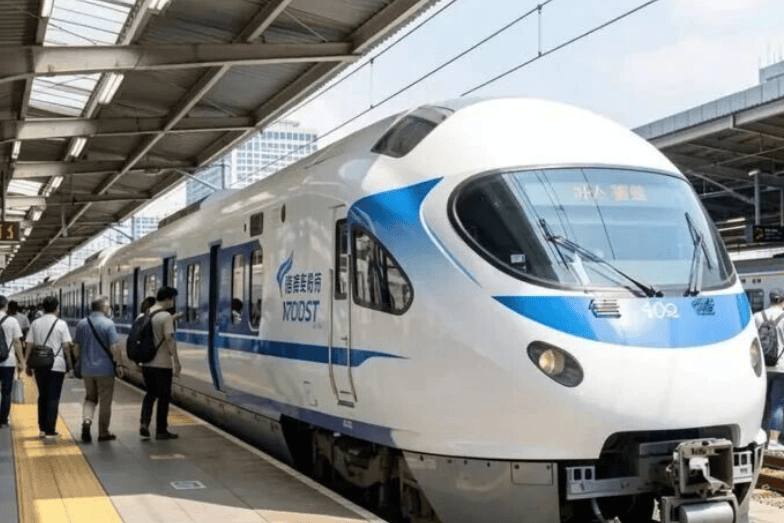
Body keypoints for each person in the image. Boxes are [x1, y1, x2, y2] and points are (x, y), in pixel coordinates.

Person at [72, 296, 122, 443]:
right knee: (105, 402)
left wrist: (80, 361)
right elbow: (114, 347)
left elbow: (76, 349)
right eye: (108, 305)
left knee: (90, 398)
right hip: (105, 369)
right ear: (103, 308)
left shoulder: (82, 323)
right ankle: (103, 433)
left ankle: (87, 421)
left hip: (87, 369)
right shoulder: (108, 324)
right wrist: (119, 364)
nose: (109, 307)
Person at [25, 296, 73, 439]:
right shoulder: (61, 324)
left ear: (43, 308)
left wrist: (27, 363)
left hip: (39, 364)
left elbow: (29, 344)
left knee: (42, 396)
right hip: (57, 365)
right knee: (53, 397)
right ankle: (50, 430)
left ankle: (42, 429)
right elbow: (66, 346)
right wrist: (70, 366)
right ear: (57, 308)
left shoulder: (35, 323)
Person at [140, 287, 181, 440]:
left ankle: (144, 423)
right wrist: (176, 361)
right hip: (163, 364)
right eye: (173, 299)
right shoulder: (166, 316)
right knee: (164, 397)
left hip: (147, 363)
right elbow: (169, 339)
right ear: (168, 299)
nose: (173, 302)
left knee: (150, 394)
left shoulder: (146, 314)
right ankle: (161, 430)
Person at [755, 288, 784, 450]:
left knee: (761, 404)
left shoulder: (758, 316)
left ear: (770, 299)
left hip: (761, 368)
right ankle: (773, 442)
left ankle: (759, 437)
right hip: (781, 367)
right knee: (777, 404)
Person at [0, 296, 25, 428]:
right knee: (6, 391)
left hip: (7, 362)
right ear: (5, 306)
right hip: (7, 362)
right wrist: (21, 361)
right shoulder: (12, 321)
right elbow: (17, 342)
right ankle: (3, 420)